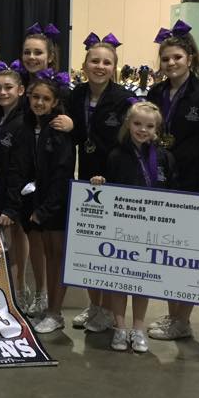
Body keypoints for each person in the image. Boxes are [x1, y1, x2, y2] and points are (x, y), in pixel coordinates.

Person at [145, 20, 199, 341]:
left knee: (186, 255)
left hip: (192, 185)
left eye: (177, 57)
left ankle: (183, 319)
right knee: (166, 253)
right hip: (160, 182)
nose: (171, 63)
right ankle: (172, 314)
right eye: (166, 59)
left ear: (190, 58)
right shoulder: (155, 93)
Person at [91, 100, 177, 353]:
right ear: (128, 124)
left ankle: (138, 328)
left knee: (143, 281)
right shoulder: (116, 156)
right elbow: (108, 189)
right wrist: (100, 183)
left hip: (152, 230)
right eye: (137, 124)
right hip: (121, 229)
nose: (142, 130)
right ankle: (120, 328)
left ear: (157, 129)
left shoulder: (165, 158)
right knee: (119, 281)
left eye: (149, 126)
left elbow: (173, 193)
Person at [66, 32, 131, 333]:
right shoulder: (75, 95)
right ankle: (95, 305)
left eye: (106, 62)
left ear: (114, 67)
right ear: (84, 65)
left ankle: (109, 310)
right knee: (90, 246)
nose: (100, 66)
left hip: (114, 179)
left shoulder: (123, 99)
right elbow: (77, 134)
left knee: (111, 247)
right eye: (94, 61)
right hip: (87, 178)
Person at [21, 69, 75, 334]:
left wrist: (46, 209)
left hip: (56, 205)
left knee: (56, 258)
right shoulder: (33, 126)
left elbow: (62, 174)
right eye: (35, 97)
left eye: (45, 99)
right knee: (49, 255)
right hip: (40, 202)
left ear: (55, 103)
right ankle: (49, 310)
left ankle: (56, 313)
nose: (39, 102)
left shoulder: (59, 130)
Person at [0, 62, 28, 307]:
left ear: (20, 90)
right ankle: (6, 293)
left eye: (8, 87)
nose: (3, 92)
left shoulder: (22, 122)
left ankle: (17, 295)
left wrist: (12, 207)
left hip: (13, 195)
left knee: (10, 246)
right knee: (1, 247)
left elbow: (19, 169)